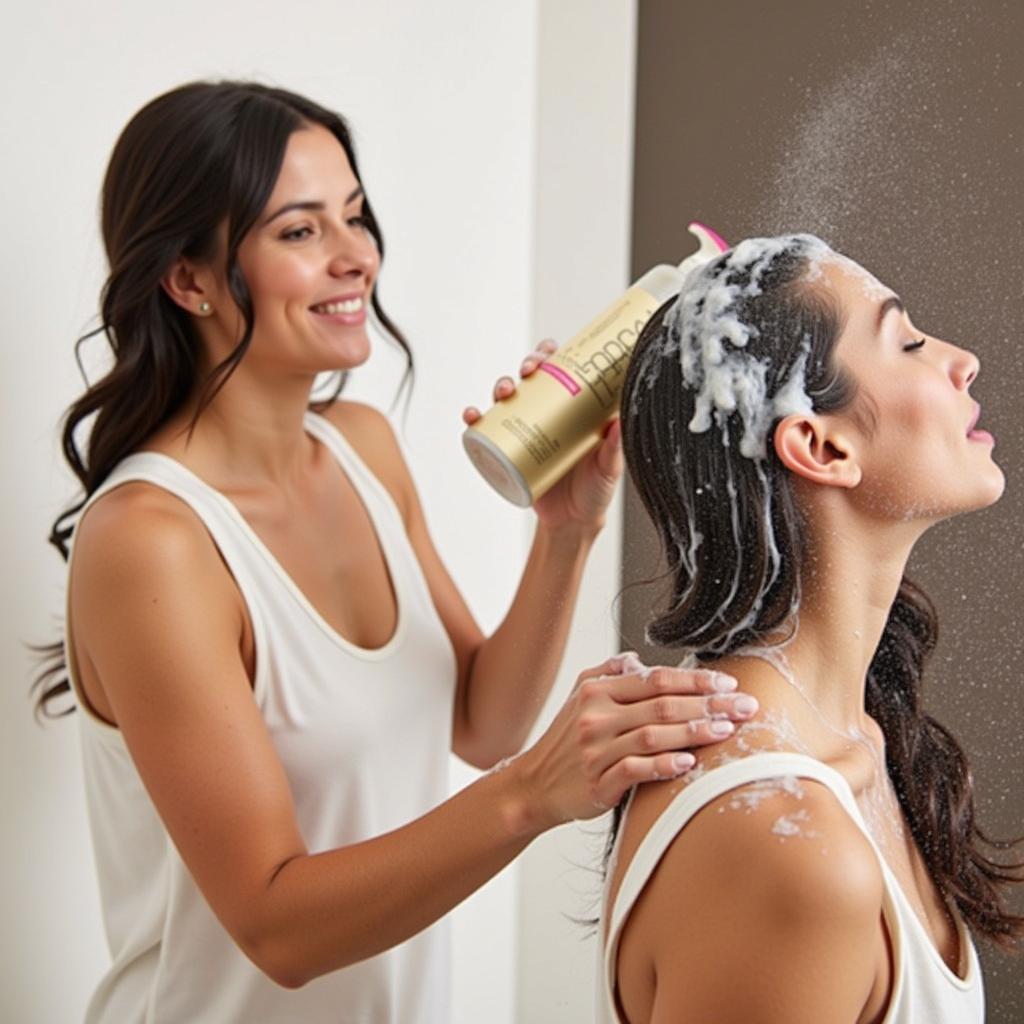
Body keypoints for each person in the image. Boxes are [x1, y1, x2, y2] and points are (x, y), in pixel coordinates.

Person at [33, 81, 763, 1023]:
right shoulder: (153, 540)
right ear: (190, 278)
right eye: (300, 232)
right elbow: (277, 928)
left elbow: (480, 722)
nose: (356, 258)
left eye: (355, 216)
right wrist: (534, 793)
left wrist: (568, 529)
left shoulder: (363, 448)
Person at [598, 234, 1023, 1023]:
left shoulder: (857, 738)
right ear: (820, 445)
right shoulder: (781, 834)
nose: (961, 361)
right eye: (909, 341)